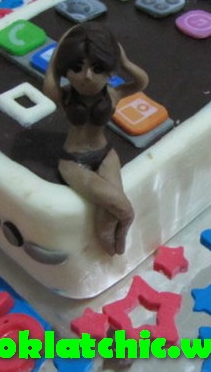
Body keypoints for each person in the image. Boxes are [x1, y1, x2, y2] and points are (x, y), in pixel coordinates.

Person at [43, 23, 148, 256]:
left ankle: (117, 259)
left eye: (98, 68)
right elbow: (50, 80)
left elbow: (141, 81)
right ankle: (122, 245)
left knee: (106, 226)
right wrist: (63, 45)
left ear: (110, 71)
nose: (87, 76)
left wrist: (123, 61)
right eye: (77, 68)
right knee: (123, 208)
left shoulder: (113, 94)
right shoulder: (66, 97)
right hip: (73, 161)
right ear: (65, 69)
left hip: (105, 155)